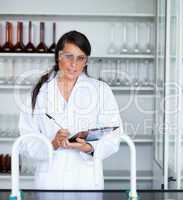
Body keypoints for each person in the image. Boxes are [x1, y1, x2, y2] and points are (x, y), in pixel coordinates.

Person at [18, 30, 123, 191]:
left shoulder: (101, 90)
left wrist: (87, 147)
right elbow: (26, 141)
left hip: (86, 181)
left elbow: (113, 137)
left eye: (80, 58)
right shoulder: (39, 92)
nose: (74, 64)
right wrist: (53, 143)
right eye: (68, 56)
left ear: (86, 61)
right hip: (50, 180)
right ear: (58, 57)